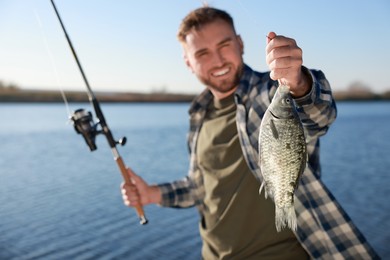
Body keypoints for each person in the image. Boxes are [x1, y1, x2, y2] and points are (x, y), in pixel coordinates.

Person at [121, 7, 379, 259]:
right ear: (188, 62)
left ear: (240, 43)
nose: (218, 60)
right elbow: (204, 186)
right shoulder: (199, 114)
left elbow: (320, 115)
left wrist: (298, 82)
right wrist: (153, 194)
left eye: (224, 45)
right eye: (202, 53)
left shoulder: (271, 90)